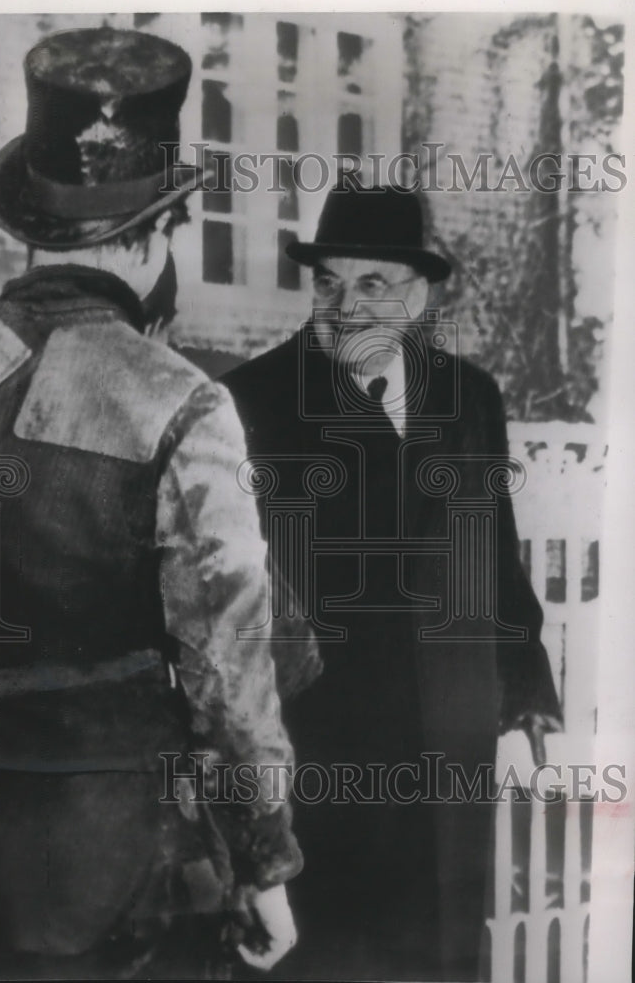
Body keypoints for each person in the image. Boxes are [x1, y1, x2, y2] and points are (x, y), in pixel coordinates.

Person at [0, 27, 307, 981]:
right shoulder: (182, 401)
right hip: (106, 850)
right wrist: (264, 863)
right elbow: (229, 666)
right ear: (162, 231)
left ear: (30, 223)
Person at [222, 183, 563, 981]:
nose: (345, 305)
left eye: (372, 283)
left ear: (418, 294)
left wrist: (522, 694)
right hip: (324, 750)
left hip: (451, 740)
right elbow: (230, 600)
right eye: (329, 282)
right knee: (331, 952)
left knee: (443, 948)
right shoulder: (254, 400)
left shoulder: (470, 397)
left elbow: (496, 559)